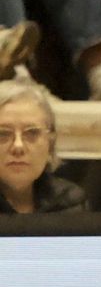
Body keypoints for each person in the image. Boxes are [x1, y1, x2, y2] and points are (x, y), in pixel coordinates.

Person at [0, 80, 87, 214]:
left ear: (50, 144)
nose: (18, 146)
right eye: (3, 134)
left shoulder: (70, 202)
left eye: (32, 132)